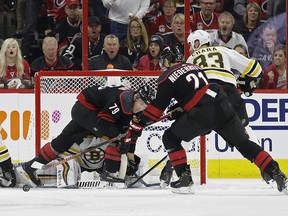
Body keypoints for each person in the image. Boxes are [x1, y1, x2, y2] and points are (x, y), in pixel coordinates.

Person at [122, 46, 288, 194]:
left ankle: (184, 179)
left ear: (166, 61)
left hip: (203, 112)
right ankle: (277, 174)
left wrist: (139, 121)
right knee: (244, 145)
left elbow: (156, 111)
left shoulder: (167, 76)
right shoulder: (195, 67)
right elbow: (196, 91)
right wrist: (181, 110)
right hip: (222, 103)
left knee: (170, 137)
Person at [20, 84, 155, 187]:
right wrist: (122, 141)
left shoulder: (132, 106)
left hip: (89, 109)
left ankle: (31, 166)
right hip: (85, 108)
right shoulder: (121, 100)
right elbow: (104, 122)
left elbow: (131, 134)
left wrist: (130, 158)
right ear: (136, 97)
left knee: (66, 139)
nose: (142, 108)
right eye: (141, 104)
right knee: (116, 135)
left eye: (145, 106)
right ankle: (109, 173)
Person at [186, 30, 261, 146]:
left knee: (191, 131)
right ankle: (267, 163)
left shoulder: (190, 60)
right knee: (246, 133)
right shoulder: (223, 50)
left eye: (190, 44)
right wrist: (246, 80)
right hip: (229, 92)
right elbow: (256, 69)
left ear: (197, 43)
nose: (190, 49)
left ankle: (172, 163)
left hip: (205, 96)